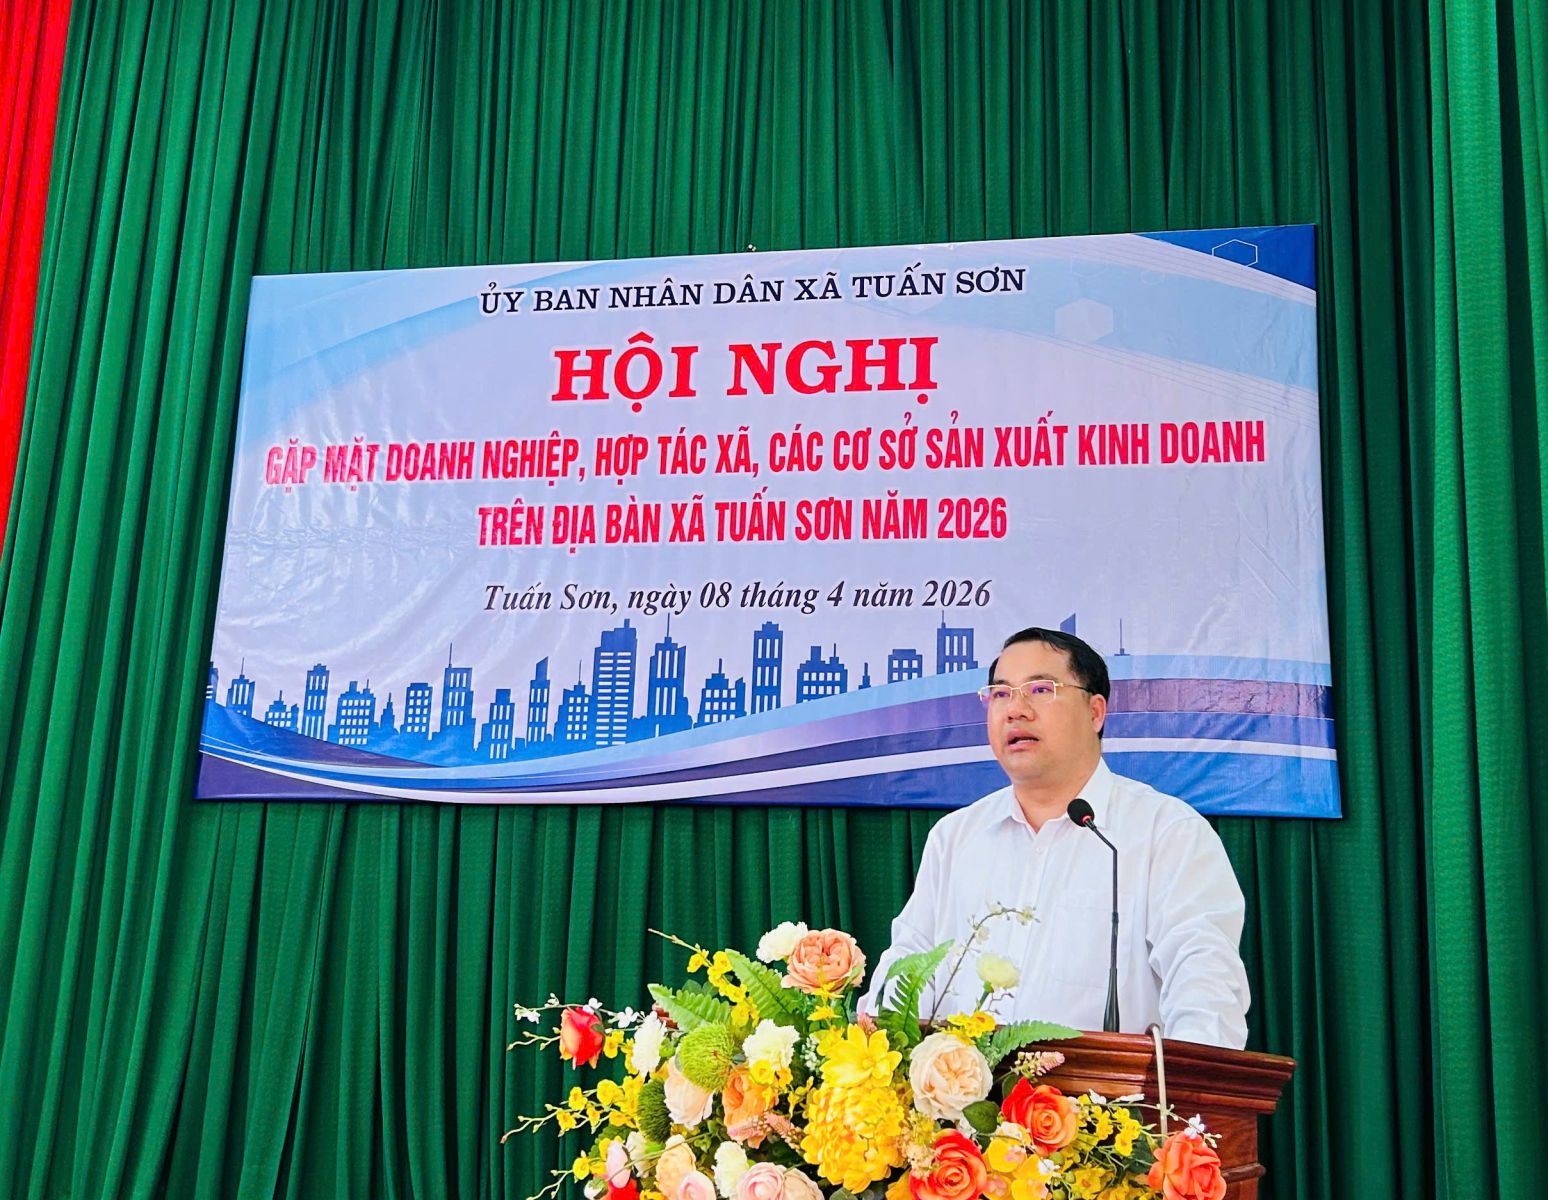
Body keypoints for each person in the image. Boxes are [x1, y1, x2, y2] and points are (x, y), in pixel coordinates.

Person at [859, 626, 1250, 1048]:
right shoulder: (955, 837)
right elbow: (907, 969)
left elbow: (1205, 986)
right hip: (961, 1091)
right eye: (1001, 694)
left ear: (1095, 712)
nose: (1016, 710)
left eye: (1041, 690)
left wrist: (1190, 1078)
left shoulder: (1167, 833)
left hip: (1102, 1091)